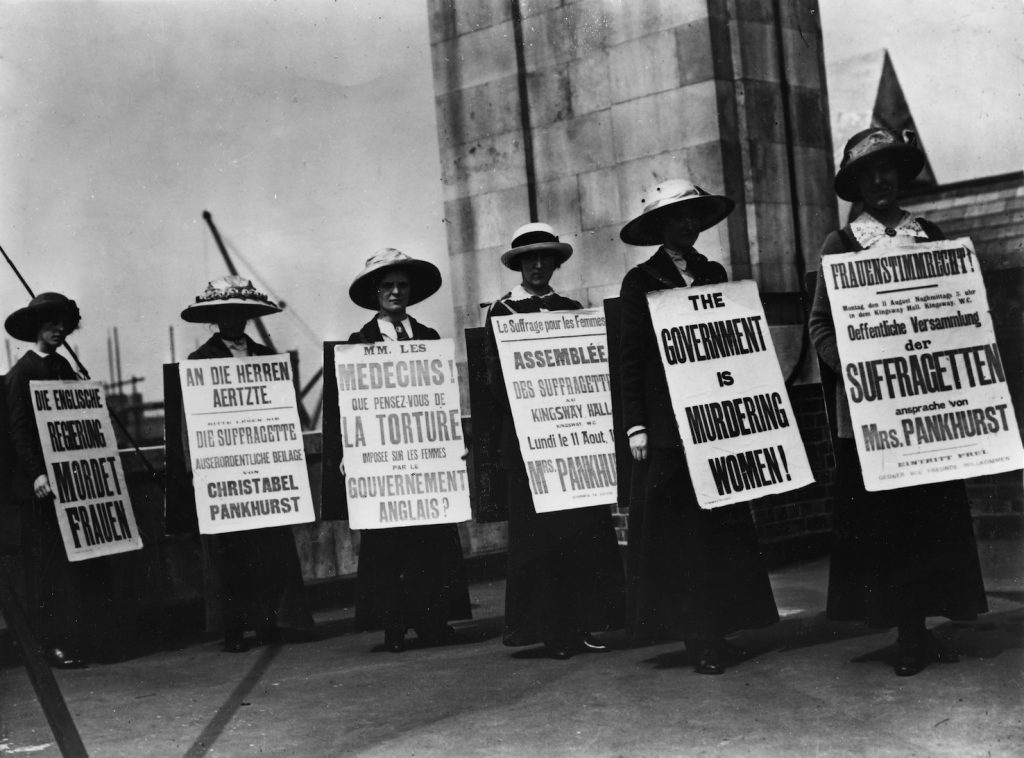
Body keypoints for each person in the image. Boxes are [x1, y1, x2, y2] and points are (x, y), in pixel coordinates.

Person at [808, 128, 988, 676]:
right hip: (871, 416)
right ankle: (906, 632)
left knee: (931, 520)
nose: (880, 180)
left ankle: (925, 627)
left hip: (927, 411)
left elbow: (957, 314)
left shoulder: (929, 235)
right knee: (887, 524)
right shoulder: (840, 247)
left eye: (888, 170)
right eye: (869, 173)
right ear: (857, 184)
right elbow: (821, 326)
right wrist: (857, 369)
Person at [618, 180, 779, 674]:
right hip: (667, 428)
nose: (688, 225)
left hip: (715, 422)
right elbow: (629, 358)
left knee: (719, 529)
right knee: (681, 533)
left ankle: (721, 625)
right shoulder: (641, 280)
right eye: (678, 218)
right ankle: (696, 636)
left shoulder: (714, 273)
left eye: (694, 217)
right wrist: (636, 426)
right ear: (660, 227)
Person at [483, 223, 624, 660]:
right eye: (530, 259)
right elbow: (494, 382)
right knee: (540, 543)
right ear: (519, 264)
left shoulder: (572, 308)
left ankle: (582, 624)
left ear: (557, 263)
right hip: (530, 446)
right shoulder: (503, 312)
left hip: (572, 442)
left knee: (580, 537)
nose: (539, 265)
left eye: (547, 258)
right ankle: (550, 630)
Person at [346, 248, 471, 652]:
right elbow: (349, 404)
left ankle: (433, 620)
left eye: (401, 285)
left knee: (431, 543)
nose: (396, 292)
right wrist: (350, 452)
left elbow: (443, 397)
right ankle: (395, 626)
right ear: (374, 293)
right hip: (384, 464)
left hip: (425, 459)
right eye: (387, 286)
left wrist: (454, 441)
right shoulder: (358, 343)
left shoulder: (430, 339)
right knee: (389, 546)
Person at [181, 275, 315, 652]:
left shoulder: (265, 358)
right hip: (224, 468)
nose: (232, 321)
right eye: (224, 314)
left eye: (239, 314)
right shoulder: (199, 361)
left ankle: (271, 621)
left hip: (263, 467)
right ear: (214, 318)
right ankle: (234, 628)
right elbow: (194, 419)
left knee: (267, 547)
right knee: (230, 551)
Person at [4, 292, 108, 667]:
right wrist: (36, 474)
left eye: (64, 323)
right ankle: (53, 643)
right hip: (45, 486)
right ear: (36, 328)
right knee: (50, 568)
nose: (59, 330)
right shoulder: (22, 372)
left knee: (80, 564)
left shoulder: (66, 369)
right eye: (51, 323)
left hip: (75, 483)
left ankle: (83, 638)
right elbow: (19, 431)